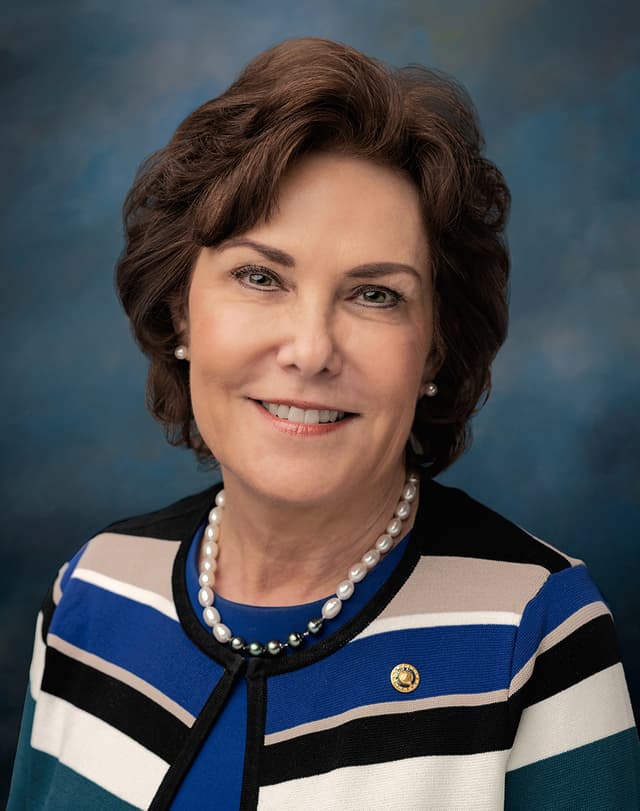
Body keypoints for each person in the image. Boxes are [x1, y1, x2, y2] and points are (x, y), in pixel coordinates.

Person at [8, 36, 639, 811]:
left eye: (375, 294)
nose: (310, 351)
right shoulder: (91, 593)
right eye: (260, 276)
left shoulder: (537, 631)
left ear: (435, 346)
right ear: (181, 310)